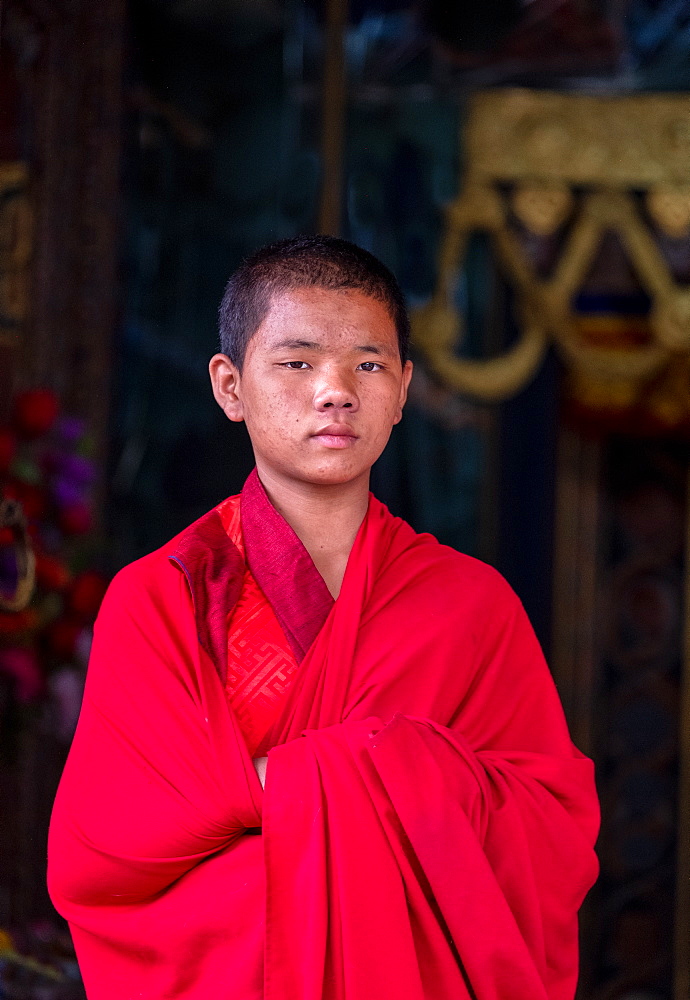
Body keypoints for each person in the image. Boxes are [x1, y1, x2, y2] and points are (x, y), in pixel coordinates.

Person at [48, 236, 599, 1000]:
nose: (335, 390)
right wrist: (378, 775)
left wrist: (287, 787)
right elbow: (111, 853)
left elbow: (549, 838)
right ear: (229, 385)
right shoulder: (163, 597)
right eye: (297, 362)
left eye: (369, 364)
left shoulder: (470, 605)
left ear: (404, 389)